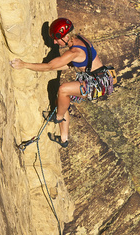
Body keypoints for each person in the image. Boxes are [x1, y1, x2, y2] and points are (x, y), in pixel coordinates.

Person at [10, 18, 110, 147]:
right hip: (101, 79)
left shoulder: (74, 51)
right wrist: (50, 67)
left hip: (98, 84)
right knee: (62, 100)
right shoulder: (80, 40)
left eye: (57, 39)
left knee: (63, 89)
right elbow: (70, 64)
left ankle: (57, 117)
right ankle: (64, 139)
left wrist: (24, 65)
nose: (54, 42)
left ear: (65, 36)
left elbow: (50, 66)